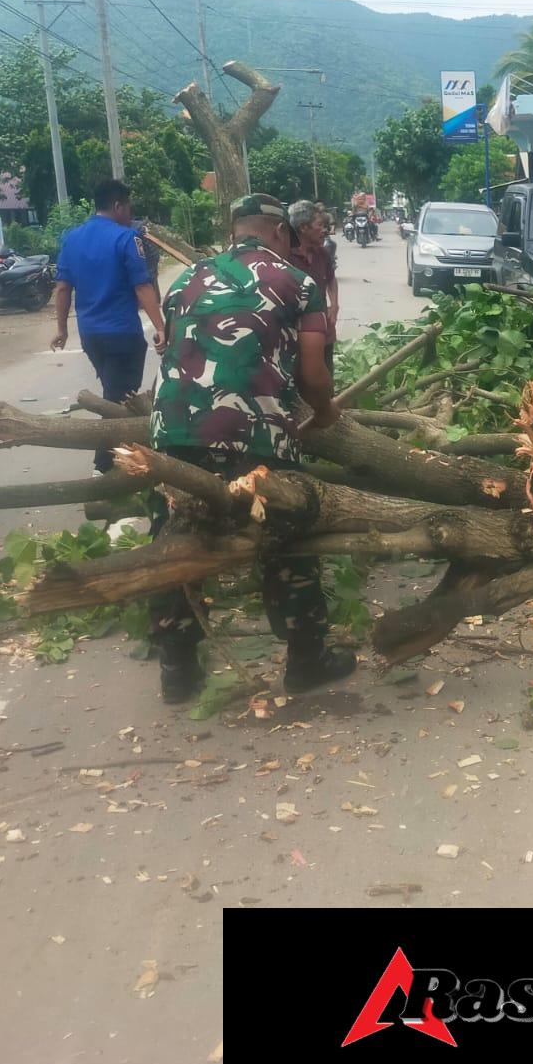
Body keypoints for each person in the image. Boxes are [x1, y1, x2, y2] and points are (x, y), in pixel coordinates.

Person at [146, 194, 355, 703]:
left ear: (233, 231)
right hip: (257, 435)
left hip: (171, 434)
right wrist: (326, 413)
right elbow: (311, 374)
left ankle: (177, 668)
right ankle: (306, 660)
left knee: (175, 540)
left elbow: (177, 350)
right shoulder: (298, 283)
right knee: (287, 539)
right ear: (281, 233)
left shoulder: (186, 280)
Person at [52, 179, 166, 473]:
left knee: (114, 394)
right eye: (128, 207)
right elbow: (142, 287)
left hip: (91, 338)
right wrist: (161, 326)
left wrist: (62, 329)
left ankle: (119, 458)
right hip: (122, 335)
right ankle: (103, 466)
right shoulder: (126, 239)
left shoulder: (72, 238)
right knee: (119, 402)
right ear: (117, 206)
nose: (130, 214)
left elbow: (63, 288)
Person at [288, 200, 339, 344]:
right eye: (320, 225)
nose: (325, 230)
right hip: (295, 332)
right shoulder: (285, 256)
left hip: (323, 327)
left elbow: (331, 279)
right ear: (304, 227)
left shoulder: (322, 253)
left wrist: (334, 306)